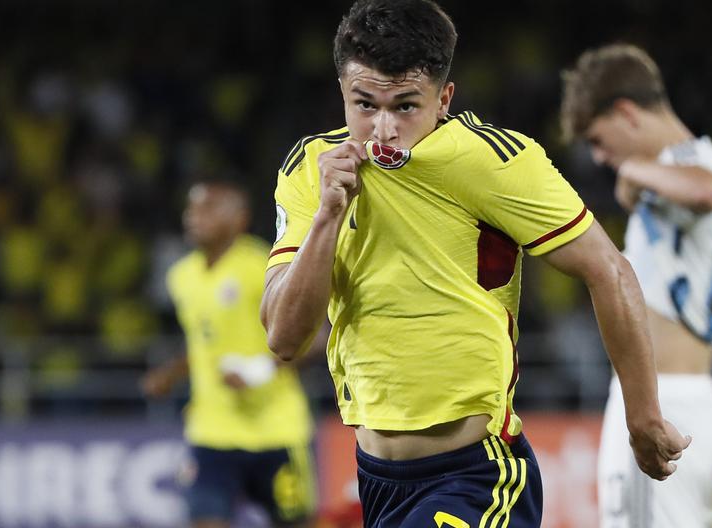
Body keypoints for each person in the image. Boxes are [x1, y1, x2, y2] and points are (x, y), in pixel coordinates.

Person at [260, 2, 689, 527]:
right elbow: (283, 338)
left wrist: (642, 416)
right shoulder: (311, 170)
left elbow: (610, 269)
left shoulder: (495, 160)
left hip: (475, 475)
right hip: (375, 479)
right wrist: (328, 215)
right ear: (343, 93)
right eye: (365, 104)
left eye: (406, 106)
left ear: (444, 99)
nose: (384, 129)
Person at [561, 43, 712, 527]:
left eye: (598, 139)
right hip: (706, 406)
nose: (600, 157)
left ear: (626, 113)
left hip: (659, 406)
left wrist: (636, 171)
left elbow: (705, 191)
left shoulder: (676, 169)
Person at [142, 180, 316, 528]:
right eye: (192, 209)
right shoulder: (181, 276)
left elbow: (313, 336)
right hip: (212, 431)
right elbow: (205, 341)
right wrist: (172, 374)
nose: (194, 217)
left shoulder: (262, 267)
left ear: (240, 219)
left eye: (207, 209)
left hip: (275, 429)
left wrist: (258, 371)